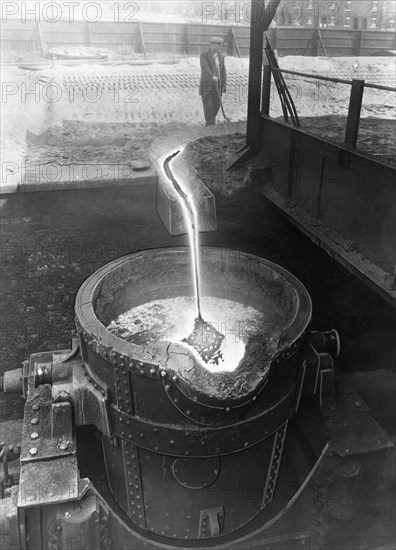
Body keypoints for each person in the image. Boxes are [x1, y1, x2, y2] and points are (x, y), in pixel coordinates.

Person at [199, 37, 227, 126]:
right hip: (207, 86)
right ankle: (210, 127)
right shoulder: (204, 55)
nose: (220, 46)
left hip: (217, 87)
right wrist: (212, 77)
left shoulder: (221, 56)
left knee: (216, 106)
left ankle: (210, 124)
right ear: (211, 45)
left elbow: (223, 71)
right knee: (209, 109)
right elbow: (205, 68)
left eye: (221, 44)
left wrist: (224, 84)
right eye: (218, 44)